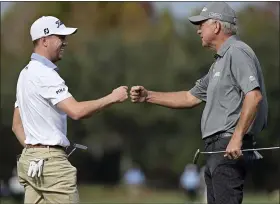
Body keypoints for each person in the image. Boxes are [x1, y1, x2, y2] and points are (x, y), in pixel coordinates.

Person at [129, 2, 268, 204]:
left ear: (217, 26)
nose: (198, 30)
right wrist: (148, 96)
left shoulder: (238, 52)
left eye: (201, 24)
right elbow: (189, 97)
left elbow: (253, 96)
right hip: (215, 149)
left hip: (228, 146)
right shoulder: (218, 63)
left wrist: (237, 138)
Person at [12, 16, 128, 204]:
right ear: (44, 40)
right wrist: (112, 98)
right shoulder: (45, 74)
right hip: (51, 166)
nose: (65, 42)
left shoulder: (24, 73)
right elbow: (76, 111)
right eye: (60, 37)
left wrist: (36, 150)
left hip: (30, 162)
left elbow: (16, 125)